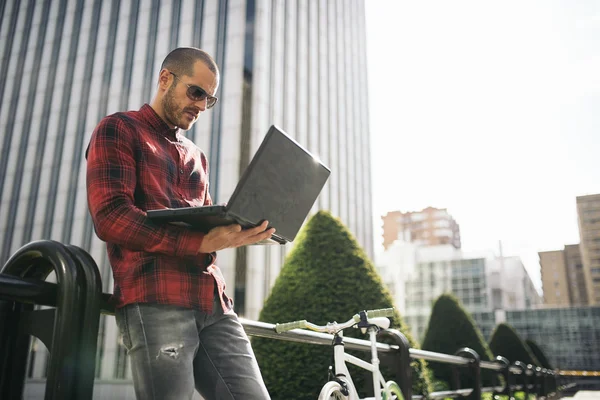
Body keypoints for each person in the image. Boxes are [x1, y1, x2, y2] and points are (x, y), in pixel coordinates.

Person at [86, 47, 273, 400]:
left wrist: (237, 233)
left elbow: (203, 230)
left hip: (214, 303)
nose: (202, 106)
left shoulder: (196, 156)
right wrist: (201, 243)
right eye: (196, 92)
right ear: (165, 79)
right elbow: (111, 217)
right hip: (157, 298)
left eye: (209, 99)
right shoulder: (118, 129)